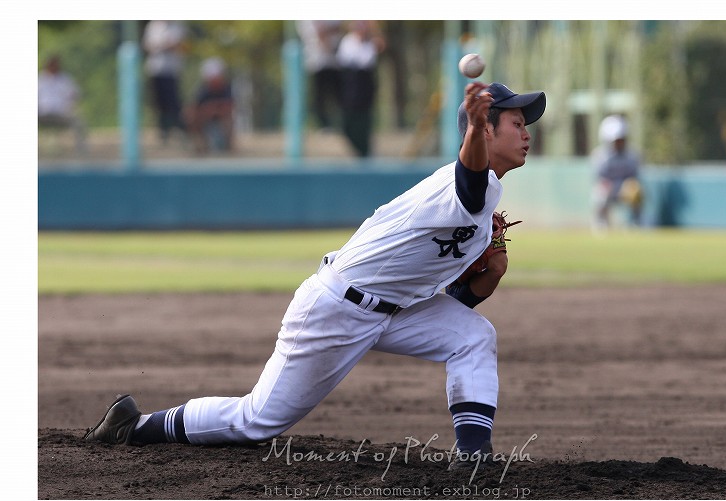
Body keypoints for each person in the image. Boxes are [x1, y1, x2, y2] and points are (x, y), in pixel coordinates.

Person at [84, 81, 546, 470]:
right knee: (256, 421)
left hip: (390, 310)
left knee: (472, 336)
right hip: (336, 308)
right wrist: (471, 124)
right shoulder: (471, 184)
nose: (527, 134)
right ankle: (134, 425)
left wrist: (489, 276)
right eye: (517, 124)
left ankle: (475, 461)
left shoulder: (481, 209)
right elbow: (470, 175)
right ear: (485, 128)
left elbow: (452, 301)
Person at [336, 20, 385, 157]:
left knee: (364, 122)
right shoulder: (347, 42)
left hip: (365, 88)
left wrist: (374, 29)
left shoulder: (370, 43)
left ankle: (365, 151)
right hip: (350, 87)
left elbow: (377, 51)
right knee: (349, 122)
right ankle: (357, 148)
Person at [591, 114, 644, 229]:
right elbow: (600, 179)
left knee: (636, 189)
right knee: (601, 191)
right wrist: (610, 186)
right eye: (617, 140)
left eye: (622, 139)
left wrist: (628, 187)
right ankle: (601, 222)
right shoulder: (600, 156)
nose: (620, 143)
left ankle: (636, 222)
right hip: (609, 187)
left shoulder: (632, 155)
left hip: (624, 188)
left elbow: (634, 177)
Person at [142, 20, 188, 144]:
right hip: (155, 70)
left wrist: (162, 46)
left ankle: (179, 130)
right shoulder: (153, 26)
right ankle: (163, 132)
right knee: (159, 103)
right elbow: (147, 45)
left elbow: (179, 45)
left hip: (172, 71)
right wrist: (164, 46)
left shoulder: (177, 26)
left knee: (173, 102)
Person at [296, 20, 343, 131]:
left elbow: (336, 29)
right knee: (319, 96)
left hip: (334, 61)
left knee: (337, 95)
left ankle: (338, 123)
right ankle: (323, 124)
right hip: (316, 62)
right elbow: (319, 32)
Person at [38, 55, 86, 154]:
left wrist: (71, 105)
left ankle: (81, 152)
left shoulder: (65, 79)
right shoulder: (40, 80)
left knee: (78, 122)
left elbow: (75, 94)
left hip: (61, 114)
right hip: (42, 114)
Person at [186, 57, 234, 154]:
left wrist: (213, 109)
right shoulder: (202, 90)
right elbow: (192, 108)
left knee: (228, 119)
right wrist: (206, 111)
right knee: (191, 119)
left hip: (221, 117)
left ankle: (229, 147)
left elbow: (230, 106)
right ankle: (200, 147)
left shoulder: (227, 88)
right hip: (205, 117)